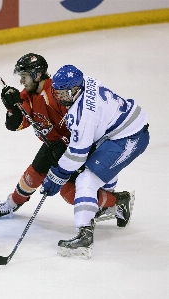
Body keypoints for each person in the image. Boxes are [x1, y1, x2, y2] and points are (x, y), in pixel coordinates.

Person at [0, 53, 133, 225]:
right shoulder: (28, 95)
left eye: (24, 77)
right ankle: (13, 202)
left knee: (70, 193)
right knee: (33, 174)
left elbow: (82, 127)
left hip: (78, 148)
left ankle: (118, 202)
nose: (21, 81)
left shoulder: (58, 93)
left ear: (36, 74)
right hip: (53, 147)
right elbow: (16, 124)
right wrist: (12, 107)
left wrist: (66, 146)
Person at [41, 65, 149, 258]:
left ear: (75, 90)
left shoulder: (83, 114)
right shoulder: (86, 81)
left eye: (63, 94)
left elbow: (77, 154)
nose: (59, 98)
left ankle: (84, 236)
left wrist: (56, 175)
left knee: (86, 180)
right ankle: (116, 203)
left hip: (129, 138)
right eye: (56, 92)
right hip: (119, 132)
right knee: (97, 169)